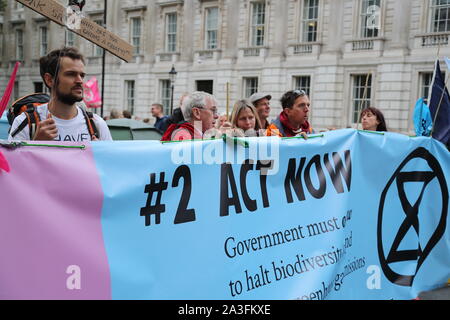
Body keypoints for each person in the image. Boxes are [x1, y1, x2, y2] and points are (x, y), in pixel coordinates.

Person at [8, 47, 112, 141]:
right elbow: (12, 162)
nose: (80, 80)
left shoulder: (97, 124)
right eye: (71, 74)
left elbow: (110, 162)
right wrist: (37, 145)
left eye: (82, 75)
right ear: (49, 80)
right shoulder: (26, 122)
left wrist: (99, 153)